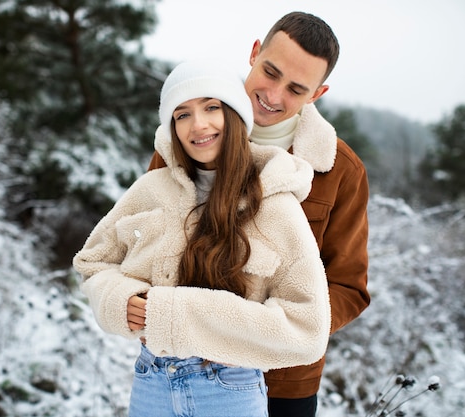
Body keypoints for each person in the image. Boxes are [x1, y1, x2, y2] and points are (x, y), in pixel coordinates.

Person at [73, 60, 331, 417]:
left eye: (212, 107)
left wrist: (175, 314)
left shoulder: (275, 206)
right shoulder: (151, 189)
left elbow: (308, 329)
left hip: (228, 389)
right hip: (152, 382)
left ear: (236, 116)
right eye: (182, 114)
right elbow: (92, 262)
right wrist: (119, 299)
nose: (199, 125)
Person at [147, 11, 371, 417]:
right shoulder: (186, 137)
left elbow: (348, 287)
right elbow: (146, 241)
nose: (274, 95)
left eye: (296, 89)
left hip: (282, 385)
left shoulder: (341, 171)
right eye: (271, 71)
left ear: (317, 94)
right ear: (254, 53)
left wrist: (265, 335)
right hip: (178, 369)